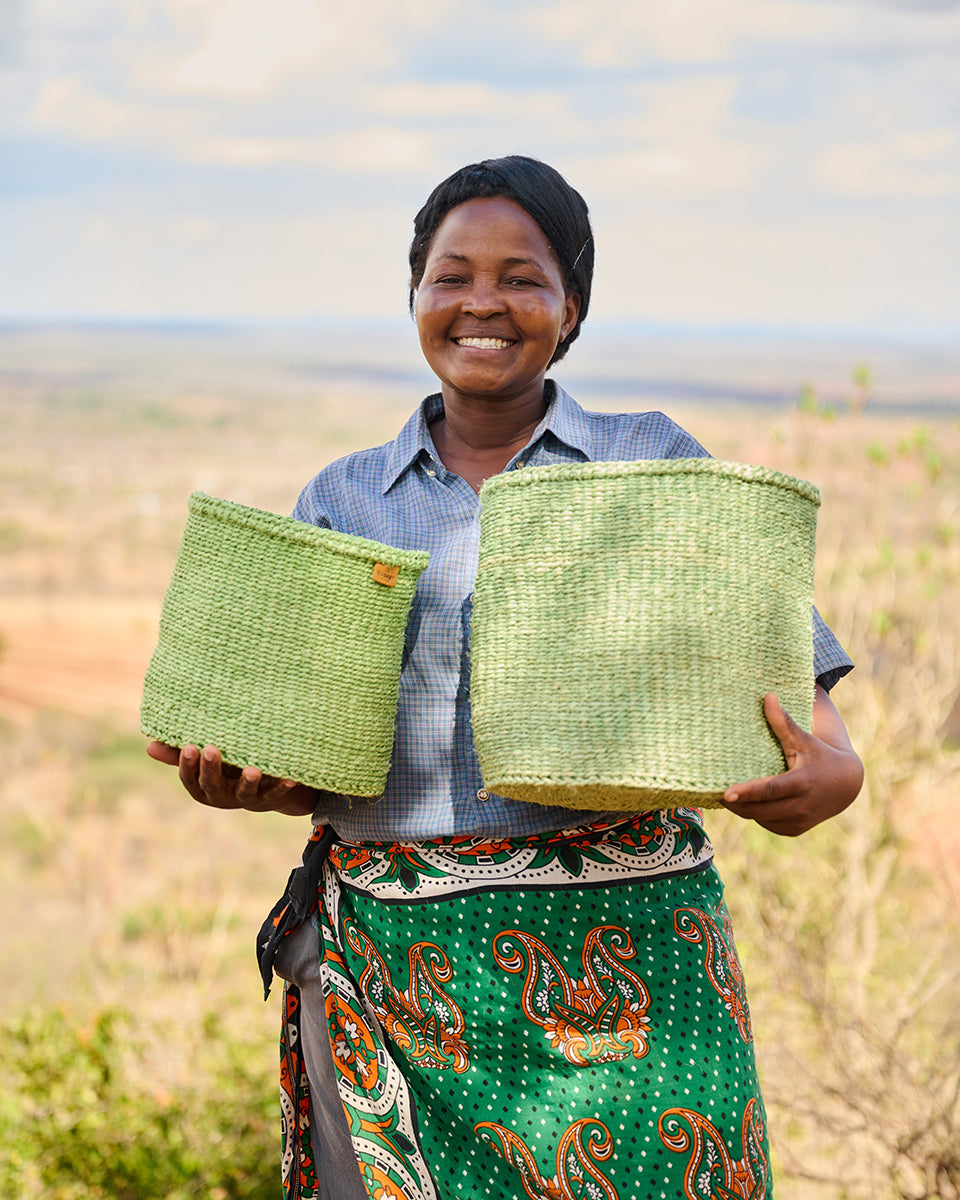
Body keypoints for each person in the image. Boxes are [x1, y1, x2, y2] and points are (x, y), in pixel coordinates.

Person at [147, 156, 863, 1200]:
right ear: (416, 299)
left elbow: (800, 704)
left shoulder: (650, 462)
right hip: (395, 978)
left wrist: (831, 775)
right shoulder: (345, 498)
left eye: (523, 277)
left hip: (630, 983)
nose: (484, 300)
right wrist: (243, 777)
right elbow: (314, 753)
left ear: (571, 309)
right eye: (452, 275)